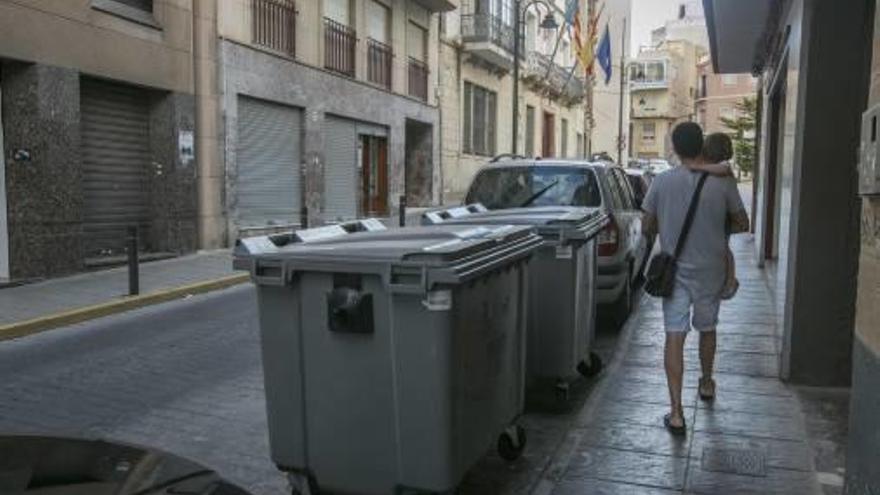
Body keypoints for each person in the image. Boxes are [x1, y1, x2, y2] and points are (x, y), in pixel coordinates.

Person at [641, 123, 750, 435]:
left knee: (674, 335)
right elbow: (742, 223)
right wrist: (716, 225)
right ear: (700, 144)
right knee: (708, 328)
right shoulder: (723, 182)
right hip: (711, 270)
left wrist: (666, 223)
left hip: (673, 272)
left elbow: (647, 226)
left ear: (674, 147)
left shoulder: (661, 182)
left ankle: (676, 412)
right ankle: (706, 382)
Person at [692, 133, 739, 299]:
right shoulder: (717, 169)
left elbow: (723, 169)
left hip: (723, 216)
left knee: (724, 249)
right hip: (721, 216)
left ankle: (730, 281)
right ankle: (729, 280)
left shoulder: (724, 167)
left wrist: (697, 167)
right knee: (724, 248)